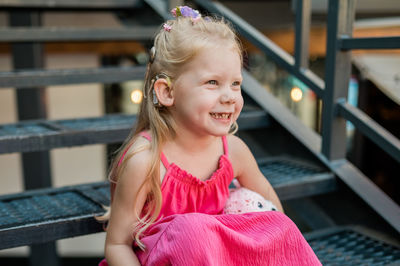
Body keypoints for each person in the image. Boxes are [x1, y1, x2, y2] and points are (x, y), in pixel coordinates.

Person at [98, 6, 320, 266]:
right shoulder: (145, 161)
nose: (229, 97)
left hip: (218, 259)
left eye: (235, 84)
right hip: (165, 258)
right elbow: (117, 245)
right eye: (212, 83)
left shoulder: (233, 151)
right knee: (194, 231)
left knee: (279, 224)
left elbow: (273, 218)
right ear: (167, 93)